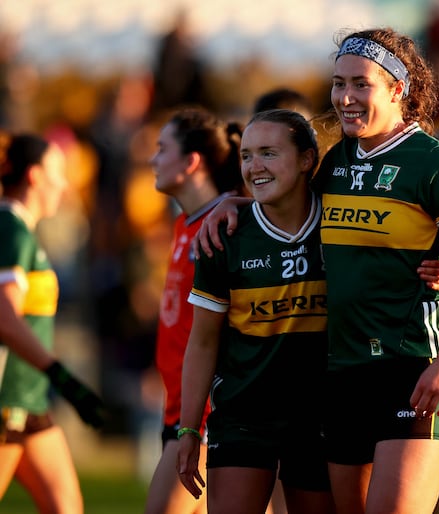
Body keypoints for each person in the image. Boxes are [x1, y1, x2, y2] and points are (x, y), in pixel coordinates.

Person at [195, 27, 439, 514]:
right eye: (338, 84)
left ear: (398, 88)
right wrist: (231, 205)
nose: (345, 98)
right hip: (342, 377)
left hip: (415, 367)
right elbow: (281, 196)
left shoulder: (438, 163)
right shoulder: (335, 162)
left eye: (361, 84)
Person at [177, 109, 336, 514]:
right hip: (244, 415)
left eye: (268, 153)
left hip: (322, 417)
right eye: (246, 156)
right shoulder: (224, 235)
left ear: (306, 160)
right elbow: (203, 341)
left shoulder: (340, 225)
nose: (254, 166)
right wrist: (189, 429)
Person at [143, 107, 244, 514]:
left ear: (191, 162)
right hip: (181, 409)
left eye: (162, 148)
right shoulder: (185, 223)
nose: (153, 159)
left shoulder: (226, 225)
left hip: (205, 413)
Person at [0, 133, 106, 511]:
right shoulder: (11, 229)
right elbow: (5, 318)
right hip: (8, 401)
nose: (65, 184)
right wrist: (60, 375)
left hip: (28, 401)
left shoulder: (23, 231)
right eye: (58, 172)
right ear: (34, 176)